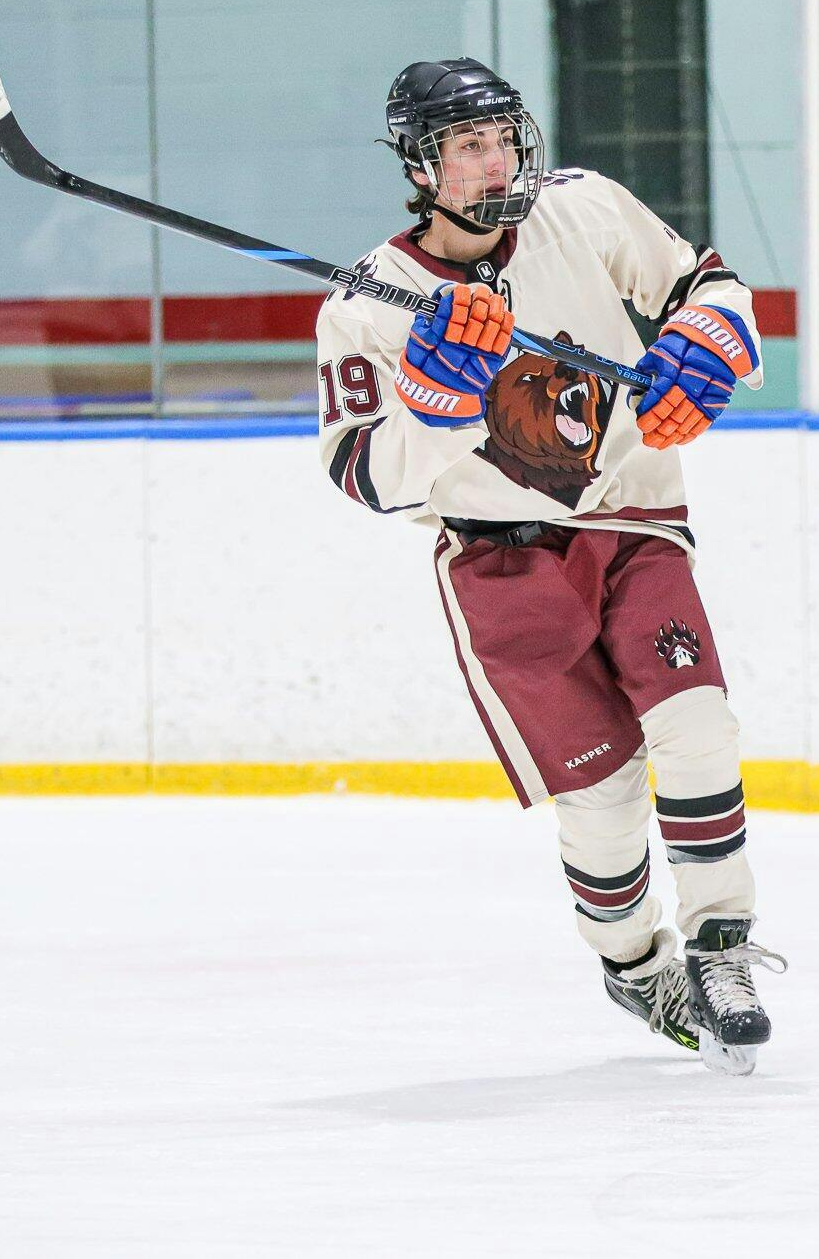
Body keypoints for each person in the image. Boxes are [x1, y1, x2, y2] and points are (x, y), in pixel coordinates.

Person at [314, 58, 784, 1074]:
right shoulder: (366, 304)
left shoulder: (583, 208)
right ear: (420, 167)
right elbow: (362, 473)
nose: (495, 162)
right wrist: (436, 406)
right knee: (602, 798)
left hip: (632, 519)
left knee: (698, 726)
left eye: (502, 139)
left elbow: (705, 284)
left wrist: (709, 341)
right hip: (500, 562)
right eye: (467, 146)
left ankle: (720, 946)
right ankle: (635, 966)